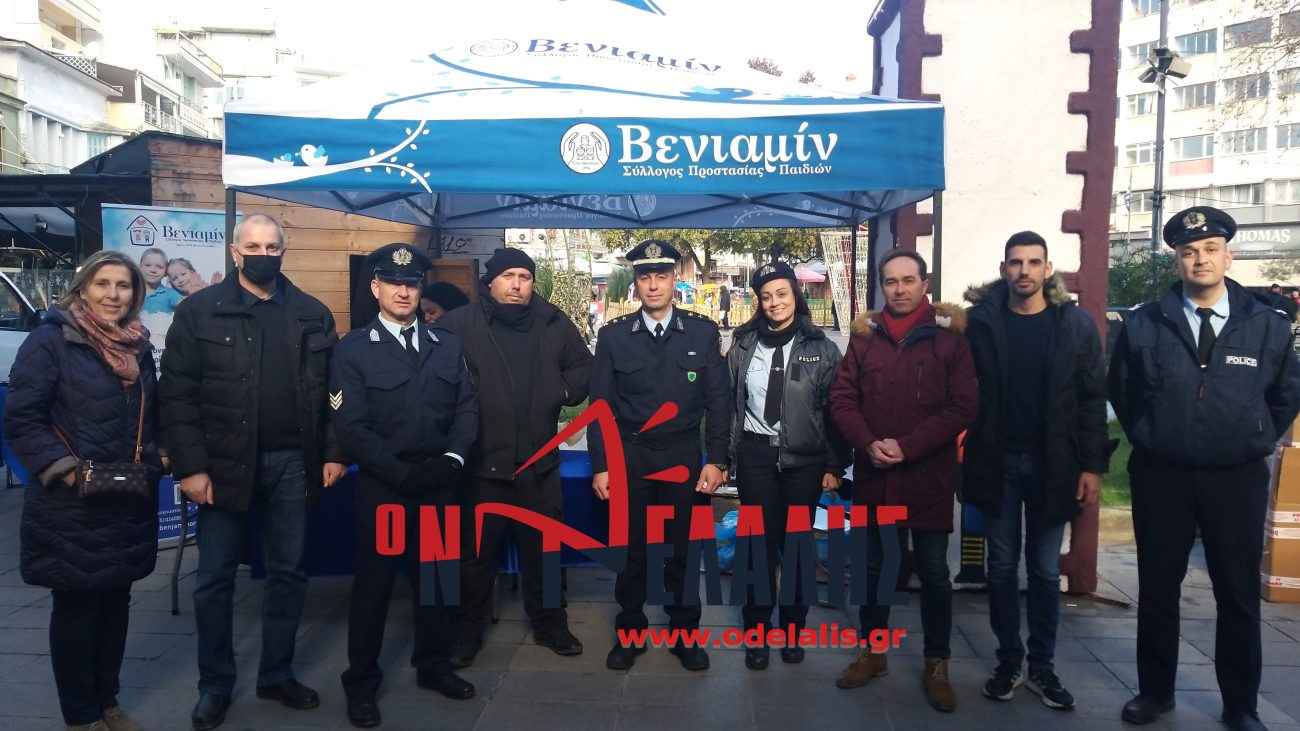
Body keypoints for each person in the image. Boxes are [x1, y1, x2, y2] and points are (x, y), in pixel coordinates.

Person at [1109, 207, 1300, 731]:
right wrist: (1151, 433)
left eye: (1210, 249)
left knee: (1237, 593)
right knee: (1158, 589)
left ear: (1227, 256)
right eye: (1189, 252)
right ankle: (1155, 692)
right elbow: (1123, 390)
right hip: (1162, 475)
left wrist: (1253, 435)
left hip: (1236, 478)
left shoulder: (1267, 323)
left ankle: (1241, 704)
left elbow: (1286, 394)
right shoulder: (1146, 322)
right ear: (1177, 260)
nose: (1200, 260)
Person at [160, 213, 348, 731]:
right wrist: (191, 467)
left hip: (295, 462)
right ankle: (215, 684)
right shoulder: (199, 311)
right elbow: (176, 395)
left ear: (283, 251)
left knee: (289, 572)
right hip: (222, 465)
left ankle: (276, 674)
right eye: (253, 246)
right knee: (215, 578)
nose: (263, 254)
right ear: (235, 252)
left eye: (272, 247)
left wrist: (334, 452)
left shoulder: (311, 312)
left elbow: (335, 393)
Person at [4, 250, 164, 731]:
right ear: (83, 288)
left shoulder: (138, 345)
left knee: (115, 605)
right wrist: (64, 470)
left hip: (126, 497)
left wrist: (157, 458)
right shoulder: (51, 341)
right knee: (77, 609)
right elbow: (22, 419)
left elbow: (149, 420)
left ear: (135, 292)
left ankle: (108, 703)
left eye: (123, 285)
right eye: (102, 284)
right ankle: (81, 716)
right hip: (71, 504)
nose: (113, 294)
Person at [330, 243, 480, 727]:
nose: (403, 291)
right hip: (387, 490)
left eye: (411, 283)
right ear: (375, 287)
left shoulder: (446, 344)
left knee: (437, 582)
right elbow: (351, 427)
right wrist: (400, 475)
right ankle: (361, 682)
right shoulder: (353, 349)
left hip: (438, 482)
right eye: (393, 283)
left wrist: (453, 459)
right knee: (373, 590)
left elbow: (467, 408)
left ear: (420, 288)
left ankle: (433, 665)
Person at [961, 231, 1108, 712]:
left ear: (1048, 269)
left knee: (1044, 570)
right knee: (1002, 567)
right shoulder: (982, 323)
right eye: (1015, 262)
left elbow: (1092, 400)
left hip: (1054, 464)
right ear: (1003, 269)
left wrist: (1092, 466)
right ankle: (1009, 661)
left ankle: (1042, 666)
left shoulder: (1074, 325)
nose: (1023, 270)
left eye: (1033, 262)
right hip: (997, 460)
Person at [828, 249, 977, 711]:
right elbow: (842, 399)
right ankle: (873, 653)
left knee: (933, 573)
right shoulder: (865, 339)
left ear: (924, 284)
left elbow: (963, 405)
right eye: (890, 281)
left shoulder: (949, 340)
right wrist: (868, 442)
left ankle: (937, 662)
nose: (899, 289)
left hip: (927, 478)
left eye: (908, 280)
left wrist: (908, 447)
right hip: (877, 476)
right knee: (875, 569)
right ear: (881, 286)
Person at [436, 247, 593, 667]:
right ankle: (467, 633)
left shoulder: (553, 321)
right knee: (474, 557)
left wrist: (563, 391)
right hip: (481, 465)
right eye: (508, 276)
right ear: (490, 282)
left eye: (524, 277)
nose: (517, 284)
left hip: (538, 466)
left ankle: (550, 625)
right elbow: (435, 376)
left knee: (545, 552)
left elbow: (584, 366)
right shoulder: (459, 324)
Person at [589, 239, 730, 672]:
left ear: (675, 280)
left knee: (681, 550)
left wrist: (717, 460)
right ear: (636, 282)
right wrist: (601, 465)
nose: (653, 285)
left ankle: (685, 633)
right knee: (631, 550)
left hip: (682, 456)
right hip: (630, 458)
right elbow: (600, 408)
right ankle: (630, 632)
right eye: (645, 277)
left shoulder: (702, 333)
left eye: (662, 276)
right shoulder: (614, 336)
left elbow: (719, 403)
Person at [726, 261, 846, 671]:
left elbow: (836, 412)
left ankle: (793, 628)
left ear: (796, 294)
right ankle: (756, 631)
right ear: (758, 302)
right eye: (766, 296)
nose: (774, 302)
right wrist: (726, 458)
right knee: (758, 547)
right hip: (756, 456)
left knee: (797, 546)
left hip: (804, 462)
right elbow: (730, 403)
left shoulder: (822, 349)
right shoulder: (743, 345)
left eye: (781, 293)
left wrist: (835, 465)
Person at [139, 247, 181, 314]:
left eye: (159, 267)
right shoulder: (132, 292)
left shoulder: (171, 294)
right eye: (148, 265)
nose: (153, 270)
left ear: (166, 272)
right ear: (139, 268)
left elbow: (188, 308)